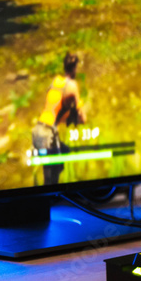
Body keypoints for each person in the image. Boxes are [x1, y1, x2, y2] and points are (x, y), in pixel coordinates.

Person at [32, 52, 87, 186]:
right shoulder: (72, 86)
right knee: (51, 183)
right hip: (48, 136)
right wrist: (78, 116)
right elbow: (83, 117)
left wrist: (66, 115)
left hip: (38, 129)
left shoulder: (56, 81)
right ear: (75, 68)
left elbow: (53, 109)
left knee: (65, 151)